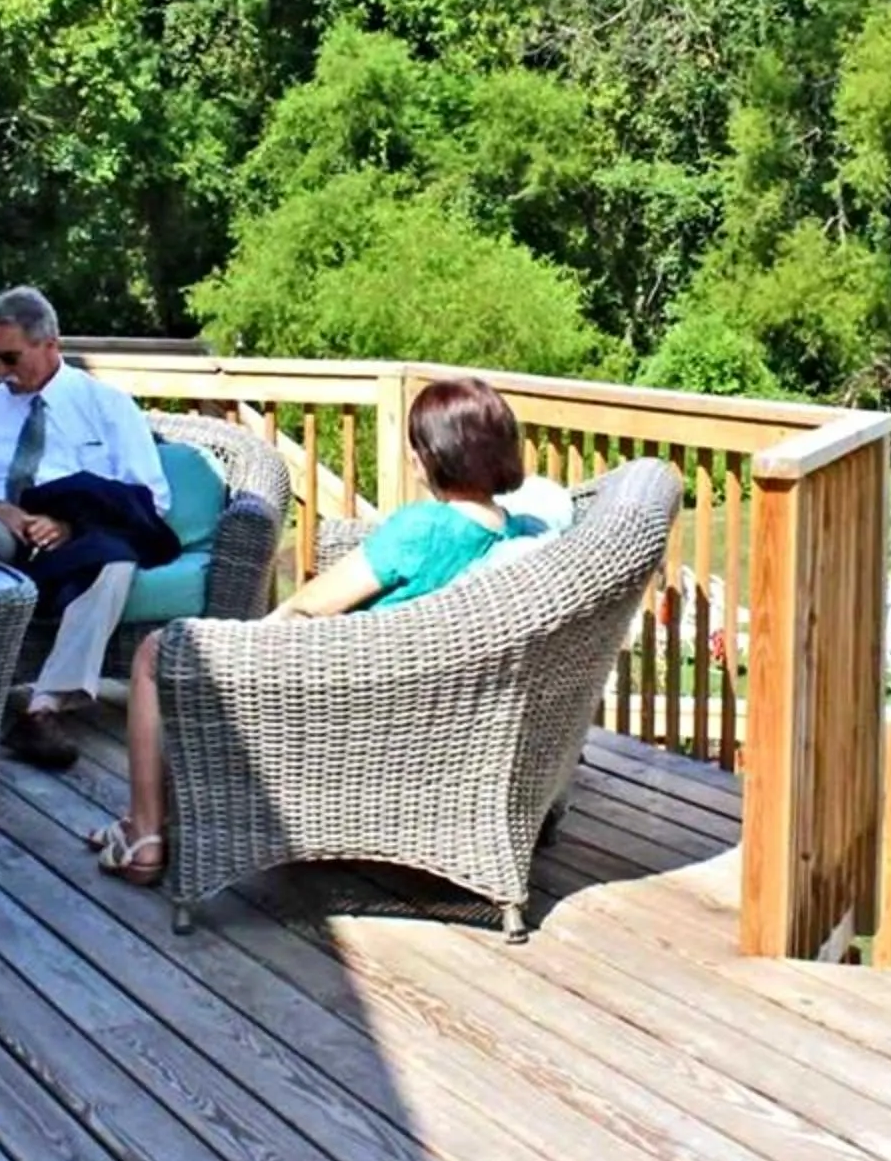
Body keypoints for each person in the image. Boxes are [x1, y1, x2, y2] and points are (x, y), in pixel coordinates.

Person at [86, 376, 546, 884]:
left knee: (158, 651)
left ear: (433, 455)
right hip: (422, 701)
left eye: (416, 446)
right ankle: (154, 817)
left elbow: (308, 608)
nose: (414, 458)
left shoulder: (426, 528)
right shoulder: (520, 532)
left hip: (344, 698)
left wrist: (242, 647)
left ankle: (145, 832)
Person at [0, 286, 167, 769]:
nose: (0, 372)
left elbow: (150, 496)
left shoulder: (106, 406)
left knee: (117, 564)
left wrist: (68, 521)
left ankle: (43, 708)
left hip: (80, 541)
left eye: (10, 358)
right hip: (4, 533)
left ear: (50, 343)